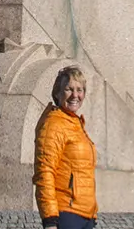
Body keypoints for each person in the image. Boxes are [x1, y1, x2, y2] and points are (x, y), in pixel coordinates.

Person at [33, 66, 97, 229]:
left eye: (80, 90)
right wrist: (50, 220)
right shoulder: (54, 124)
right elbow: (45, 171)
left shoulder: (76, 124)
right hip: (66, 215)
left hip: (85, 215)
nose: (75, 95)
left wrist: (93, 214)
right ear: (57, 93)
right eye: (69, 89)